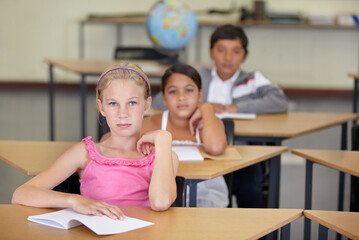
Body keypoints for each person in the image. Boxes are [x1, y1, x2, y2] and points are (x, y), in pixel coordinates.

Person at [12, 61, 179, 219]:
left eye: (132, 103)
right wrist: (74, 200)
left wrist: (164, 140)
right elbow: (21, 194)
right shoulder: (85, 152)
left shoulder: (164, 156)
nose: (123, 113)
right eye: (113, 104)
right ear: (102, 108)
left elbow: (160, 202)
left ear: (147, 105)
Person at [152, 24, 288, 208]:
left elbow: (279, 100)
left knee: (250, 185)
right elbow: (161, 100)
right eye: (221, 50)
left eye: (235, 52)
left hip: (240, 149)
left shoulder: (252, 80)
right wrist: (200, 105)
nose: (228, 57)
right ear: (211, 53)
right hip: (202, 146)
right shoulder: (200, 75)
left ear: (244, 56)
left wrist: (236, 107)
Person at [142, 63, 229, 207]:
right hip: (163, 194)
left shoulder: (209, 122)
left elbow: (216, 147)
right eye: (173, 92)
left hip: (206, 194)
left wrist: (206, 108)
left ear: (200, 95)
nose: (181, 97)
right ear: (164, 98)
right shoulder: (154, 123)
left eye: (188, 90)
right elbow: (111, 140)